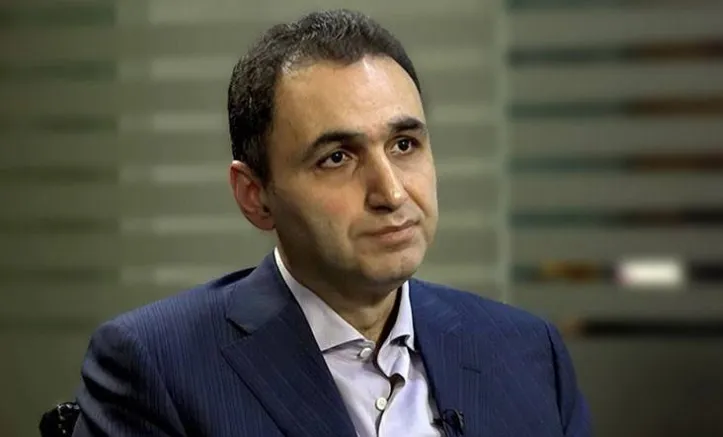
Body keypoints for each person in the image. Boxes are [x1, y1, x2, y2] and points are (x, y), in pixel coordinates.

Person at [72, 9, 590, 437]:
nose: (391, 193)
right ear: (255, 196)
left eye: (404, 145)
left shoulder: (527, 352)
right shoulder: (154, 368)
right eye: (337, 158)